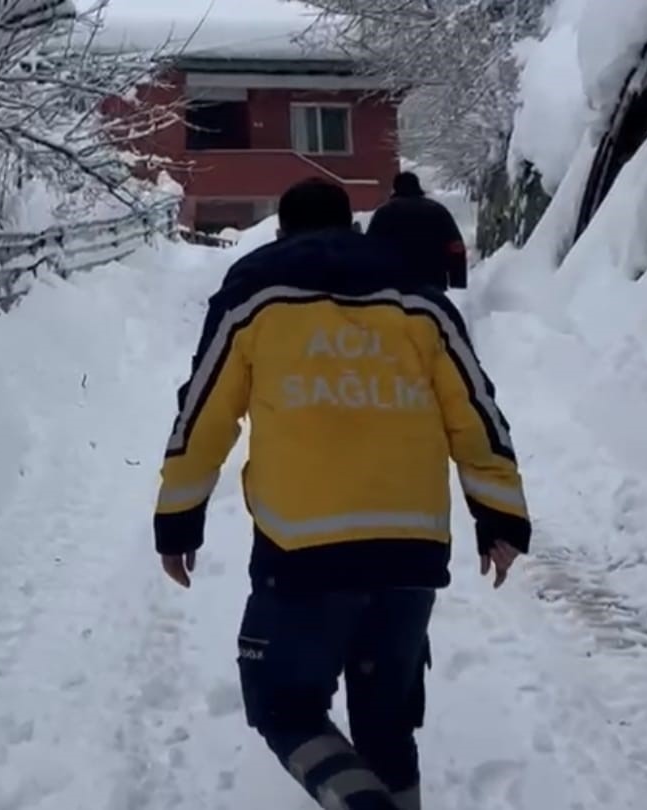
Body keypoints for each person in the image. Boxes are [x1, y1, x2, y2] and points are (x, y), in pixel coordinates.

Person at [153, 178, 531, 810]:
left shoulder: (252, 297)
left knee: (284, 704)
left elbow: (204, 416)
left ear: (280, 232)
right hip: (410, 548)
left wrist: (177, 520)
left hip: (303, 551)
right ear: (353, 228)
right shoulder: (420, 297)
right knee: (387, 722)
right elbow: (476, 414)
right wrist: (500, 516)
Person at [367, 171, 468, 290]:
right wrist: (457, 280)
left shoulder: (384, 213)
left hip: (394, 282)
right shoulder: (438, 211)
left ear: (395, 188)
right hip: (433, 280)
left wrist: (370, 279)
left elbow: (370, 247)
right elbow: (455, 246)